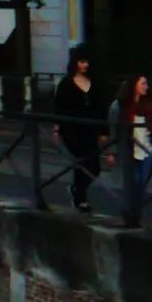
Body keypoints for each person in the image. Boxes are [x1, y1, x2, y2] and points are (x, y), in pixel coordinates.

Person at [51, 48, 105, 213]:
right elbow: (59, 107)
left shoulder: (94, 83)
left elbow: (101, 108)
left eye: (87, 62)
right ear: (75, 63)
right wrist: (57, 128)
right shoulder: (66, 84)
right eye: (81, 62)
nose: (85, 65)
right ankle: (81, 197)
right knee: (81, 162)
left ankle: (77, 189)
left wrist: (104, 131)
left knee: (95, 167)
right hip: (72, 129)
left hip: (90, 129)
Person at [117, 71, 152, 227]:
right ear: (134, 85)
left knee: (141, 185)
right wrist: (113, 152)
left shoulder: (148, 106)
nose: (146, 87)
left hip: (147, 152)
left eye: (146, 83)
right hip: (131, 153)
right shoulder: (123, 106)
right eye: (143, 83)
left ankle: (135, 214)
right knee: (134, 184)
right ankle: (130, 214)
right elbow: (117, 130)